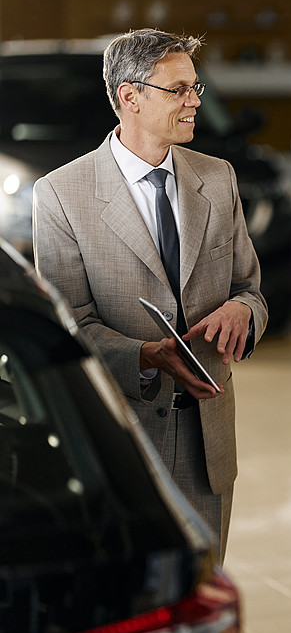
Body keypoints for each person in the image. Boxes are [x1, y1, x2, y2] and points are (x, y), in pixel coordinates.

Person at [32, 28, 268, 563]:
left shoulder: (217, 177)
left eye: (195, 87)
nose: (194, 102)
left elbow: (250, 288)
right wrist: (142, 355)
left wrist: (242, 311)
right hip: (122, 438)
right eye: (178, 89)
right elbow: (70, 325)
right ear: (129, 97)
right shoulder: (61, 194)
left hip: (208, 440)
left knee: (204, 593)